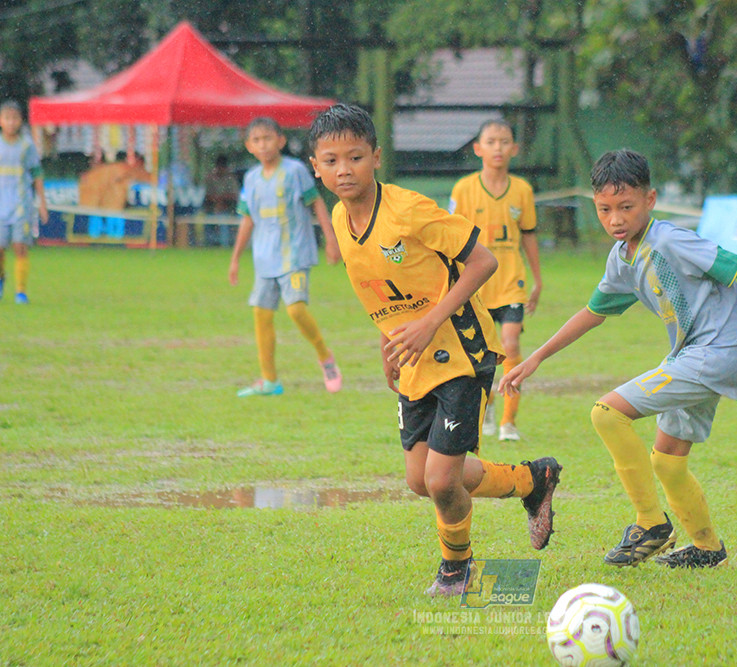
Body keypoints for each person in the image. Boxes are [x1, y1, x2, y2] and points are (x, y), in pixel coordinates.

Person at [499, 149, 737, 568]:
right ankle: (707, 548)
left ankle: (650, 523)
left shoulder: (669, 240)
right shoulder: (622, 257)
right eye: (605, 209)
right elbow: (593, 313)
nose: (615, 219)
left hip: (712, 355)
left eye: (626, 207)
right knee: (668, 462)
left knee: (607, 413)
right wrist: (536, 357)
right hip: (691, 356)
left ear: (650, 199)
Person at [307, 103, 561, 596]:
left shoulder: (408, 209)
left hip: (462, 348)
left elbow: (483, 262)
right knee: (421, 480)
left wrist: (429, 322)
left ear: (376, 157)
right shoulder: (339, 217)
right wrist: (388, 342)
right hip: (414, 356)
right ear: (316, 167)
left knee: (443, 480)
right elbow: (378, 285)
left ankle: (456, 570)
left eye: (355, 157)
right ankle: (533, 480)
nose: (344, 170)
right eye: (331, 161)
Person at [228, 117, 343, 397]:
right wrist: (235, 259)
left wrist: (331, 239)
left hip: (295, 255)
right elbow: (247, 219)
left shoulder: (295, 171)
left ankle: (325, 356)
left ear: (280, 141)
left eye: (268, 138)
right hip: (264, 260)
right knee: (261, 314)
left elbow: (316, 202)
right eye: (256, 140)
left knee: (296, 310)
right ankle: (270, 381)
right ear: (249, 146)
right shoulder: (251, 179)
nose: (263, 145)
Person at [449, 119, 542, 442]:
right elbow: (452, 237)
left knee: (511, 344)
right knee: (483, 354)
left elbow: (529, 235)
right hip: (476, 284)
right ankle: (486, 405)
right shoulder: (463, 189)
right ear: (478, 149)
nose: (498, 148)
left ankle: (508, 422)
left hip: (511, 282)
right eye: (491, 141)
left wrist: (538, 280)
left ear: (514, 148)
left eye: (504, 141)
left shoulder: (522, 190)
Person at [0, 101, 48, 305]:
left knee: (20, 246)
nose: (11, 122)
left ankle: (20, 291)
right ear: (1, 121)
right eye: (7, 118)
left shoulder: (27, 145)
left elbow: (36, 173)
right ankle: (1, 279)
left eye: (14, 118)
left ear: (20, 121)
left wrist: (42, 203)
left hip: (21, 204)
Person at [202, 154, 241, 245]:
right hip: (212, 209)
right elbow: (207, 195)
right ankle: (208, 244)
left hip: (228, 209)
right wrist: (217, 201)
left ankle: (224, 245)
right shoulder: (210, 178)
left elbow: (234, 196)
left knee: (223, 222)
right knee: (208, 222)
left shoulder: (231, 179)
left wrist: (221, 200)